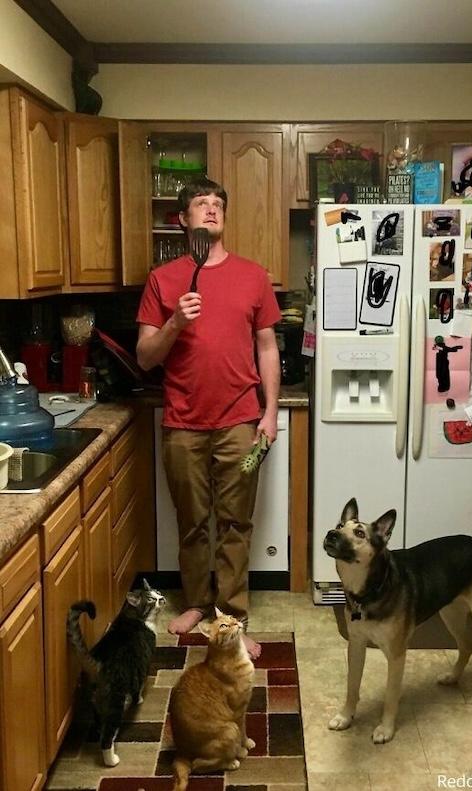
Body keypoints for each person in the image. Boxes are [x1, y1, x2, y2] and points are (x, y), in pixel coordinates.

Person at [136, 177, 281, 660]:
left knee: (236, 523)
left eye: (218, 203)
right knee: (193, 522)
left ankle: (232, 619)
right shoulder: (163, 279)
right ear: (184, 219)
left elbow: (267, 348)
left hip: (241, 422)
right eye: (201, 203)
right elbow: (145, 357)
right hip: (182, 423)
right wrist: (176, 321)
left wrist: (270, 413)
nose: (212, 209)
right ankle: (198, 603)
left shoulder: (253, 276)